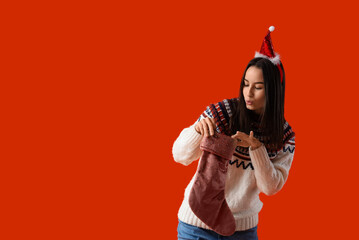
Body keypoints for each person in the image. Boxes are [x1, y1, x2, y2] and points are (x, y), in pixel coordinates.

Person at [172, 27, 296, 240]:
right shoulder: (222, 113)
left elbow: (270, 187)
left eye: (258, 87)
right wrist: (196, 131)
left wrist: (256, 148)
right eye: (246, 84)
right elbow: (180, 156)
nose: (248, 93)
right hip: (196, 225)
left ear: (274, 90)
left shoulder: (283, 136)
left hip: (242, 230)